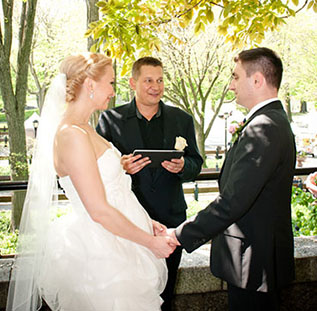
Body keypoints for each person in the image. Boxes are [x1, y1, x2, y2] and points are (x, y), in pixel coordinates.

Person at [6, 53, 177, 311]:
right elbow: (98, 210)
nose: (112, 91)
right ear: (90, 85)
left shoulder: (85, 128)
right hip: (102, 253)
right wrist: (149, 242)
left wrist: (145, 222)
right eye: (110, 83)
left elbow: (112, 190)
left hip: (121, 239)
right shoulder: (71, 135)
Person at [171, 47, 296, 311]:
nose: (230, 86)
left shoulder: (265, 127)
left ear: (257, 80)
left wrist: (180, 235)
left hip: (254, 261)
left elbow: (234, 199)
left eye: (236, 77)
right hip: (253, 258)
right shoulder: (269, 121)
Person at [96, 56, 203, 310]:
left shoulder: (182, 120)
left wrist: (182, 167)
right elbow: (97, 170)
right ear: (133, 83)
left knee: (165, 294)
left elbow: (195, 164)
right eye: (148, 80)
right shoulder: (109, 120)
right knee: (129, 293)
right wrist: (122, 168)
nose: (156, 86)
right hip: (127, 221)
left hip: (170, 219)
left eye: (160, 80)